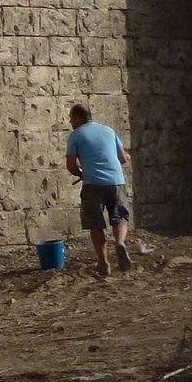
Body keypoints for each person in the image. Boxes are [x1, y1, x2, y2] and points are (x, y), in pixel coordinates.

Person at [65, 103, 131, 278]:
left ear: (78, 118)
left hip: (92, 184)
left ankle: (103, 262)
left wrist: (81, 173)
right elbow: (123, 158)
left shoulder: (75, 135)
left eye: (71, 118)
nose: (70, 121)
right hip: (116, 181)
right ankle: (120, 242)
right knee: (120, 217)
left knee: (95, 224)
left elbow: (70, 166)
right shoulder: (109, 131)